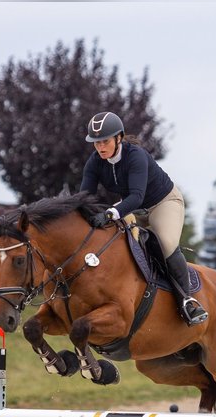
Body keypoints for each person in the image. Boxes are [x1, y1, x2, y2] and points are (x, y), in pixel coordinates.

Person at [79, 111, 206, 325]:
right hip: (132, 208)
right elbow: (83, 197)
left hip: (163, 203)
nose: (101, 147)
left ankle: (188, 300)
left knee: (165, 244)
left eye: (105, 141)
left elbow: (136, 196)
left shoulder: (135, 155)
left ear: (119, 137)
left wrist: (110, 213)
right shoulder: (95, 162)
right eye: (96, 143)